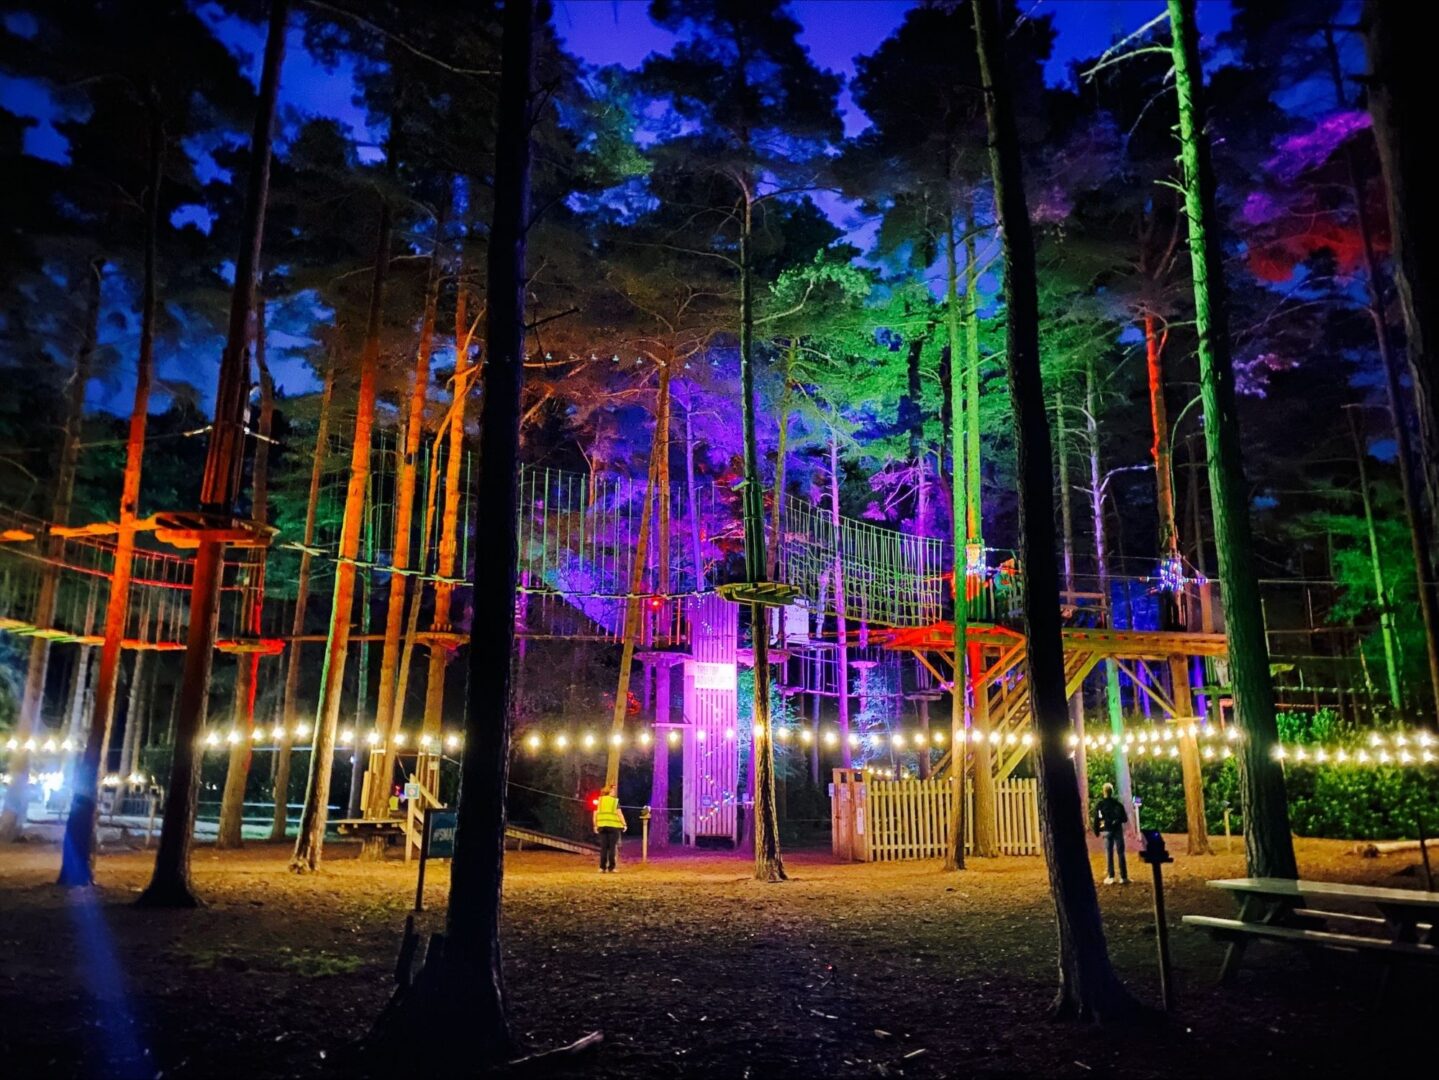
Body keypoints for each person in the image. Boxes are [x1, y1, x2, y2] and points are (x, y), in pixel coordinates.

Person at [1093, 782, 1129, 885]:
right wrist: (1117, 821)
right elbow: (1124, 819)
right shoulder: (1118, 804)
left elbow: (1098, 818)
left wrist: (1097, 830)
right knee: (1121, 852)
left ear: (1103, 792)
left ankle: (1111, 876)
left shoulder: (1100, 805)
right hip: (1117, 830)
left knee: (1109, 853)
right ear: (1112, 792)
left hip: (1106, 830)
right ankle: (1123, 876)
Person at [592, 784, 627, 873]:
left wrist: (595, 825)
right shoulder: (614, 802)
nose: (614, 792)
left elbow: (595, 814)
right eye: (613, 791)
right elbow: (619, 814)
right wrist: (624, 824)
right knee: (612, 848)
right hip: (613, 827)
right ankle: (611, 867)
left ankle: (602, 867)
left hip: (602, 826)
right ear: (609, 791)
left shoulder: (599, 801)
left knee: (603, 848)